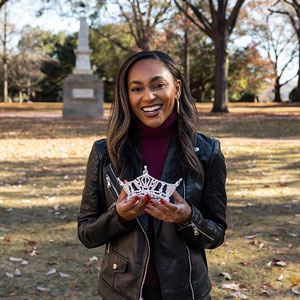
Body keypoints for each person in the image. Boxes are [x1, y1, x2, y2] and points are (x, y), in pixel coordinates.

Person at [77, 51, 227, 300]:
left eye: (158, 85)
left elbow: (216, 235)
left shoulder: (207, 152)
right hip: (122, 292)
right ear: (127, 95)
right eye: (136, 89)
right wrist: (118, 216)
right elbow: (86, 233)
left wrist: (188, 218)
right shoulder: (105, 153)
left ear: (177, 88)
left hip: (187, 291)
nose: (148, 96)